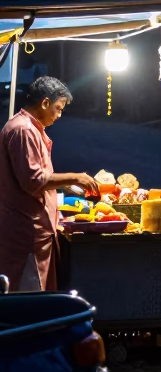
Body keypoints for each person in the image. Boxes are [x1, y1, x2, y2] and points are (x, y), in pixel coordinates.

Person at [0, 75, 97, 291]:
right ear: (44, 103)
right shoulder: (23, 130)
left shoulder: (31, 128)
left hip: (35, 230)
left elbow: (37, 177)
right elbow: (33, 180)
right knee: (28, 301)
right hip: (26, 233)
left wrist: (63, 186)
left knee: (37, 296)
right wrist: (75, 177)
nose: (59, 115)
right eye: (58, 108)